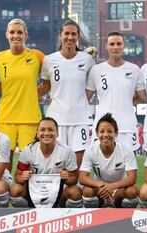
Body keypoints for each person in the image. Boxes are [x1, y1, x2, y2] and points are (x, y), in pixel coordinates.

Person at [39, 20, 95, 167]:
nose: (69, 37)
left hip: (79, 119)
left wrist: (76, 102)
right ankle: (56, 190)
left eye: (73, 34)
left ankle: (77, 190)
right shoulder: (49, 60)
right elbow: (45, 86)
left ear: (78, 37)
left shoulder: (87, 60)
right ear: (60, 35)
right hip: (56, 119)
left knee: (78, 165)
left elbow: (89, 90)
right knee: (56, 163)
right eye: (66, 33)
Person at [0, 18, 44, 171]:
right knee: (4, 162)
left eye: (19, 32)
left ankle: (23, 192)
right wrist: (12, 92)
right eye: (12, 32)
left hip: (30, 118)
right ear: (7, 35)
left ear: (26, 35)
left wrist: (33, 94)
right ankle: (5, 191)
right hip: (6, 117)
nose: (16, 35)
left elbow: (50, 80)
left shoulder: (37, 56)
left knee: (28, 161)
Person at [87, 31, 146, 152]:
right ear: (106, 46)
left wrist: (127, 102)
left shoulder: (134, 69)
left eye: (119, 44)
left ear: (123, 46)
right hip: (102, 126)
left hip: (127, 125)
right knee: (101, 166)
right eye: (112, 44)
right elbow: (86, 96)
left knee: (129, 167)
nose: (115, 47)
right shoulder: (96, 70)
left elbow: (142, 97)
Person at [9, 117, 83, 208]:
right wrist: (24, 176)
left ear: (57, 134)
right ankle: (28, 215)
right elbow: (18, 176)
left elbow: (74, 178)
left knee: (75, 192)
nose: (46, 133)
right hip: (34, 191)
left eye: (50, 130)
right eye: (42, 130)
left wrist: (66, 178)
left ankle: (63, 213)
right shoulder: (28, 150)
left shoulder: (67, 151)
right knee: (15, 190)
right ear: (37, 134)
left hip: (59, 192)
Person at [79, 113, 139, 208]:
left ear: (116, 133)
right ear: (97, 133)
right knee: (87, 191)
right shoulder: (90, 150)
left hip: (119, 189)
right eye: (102, 131)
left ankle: (124, 218)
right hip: (100, 190)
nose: (105, 135)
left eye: (109, 131)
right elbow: (82, 177)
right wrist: (101, 185)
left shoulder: (126, 150)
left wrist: (113, 186)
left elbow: (132, 178)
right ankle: (94, 217)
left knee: (132, 191)